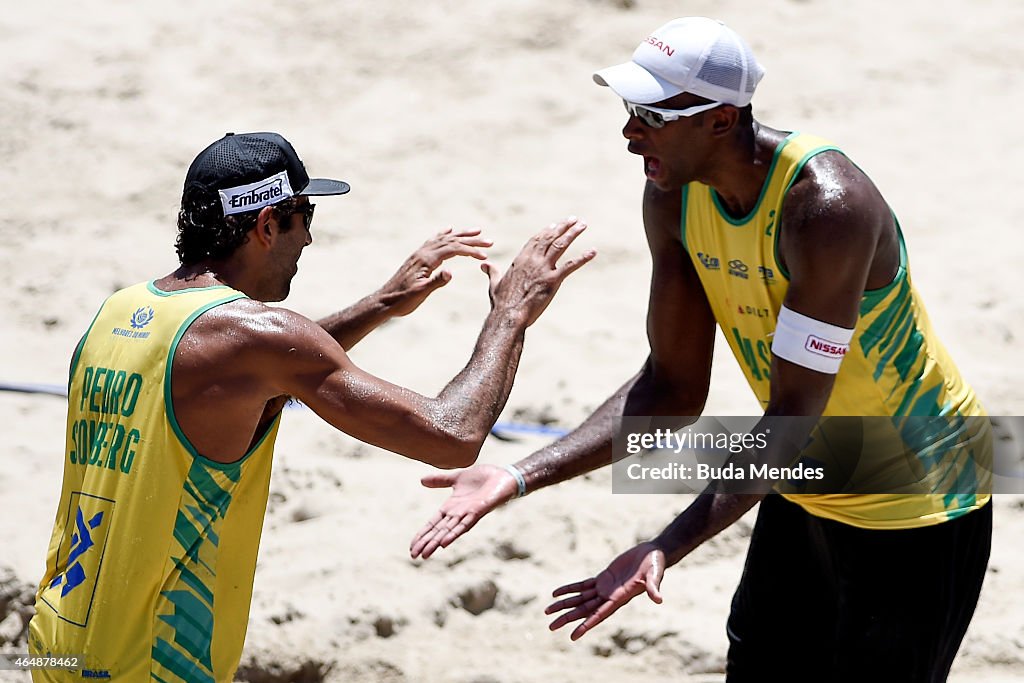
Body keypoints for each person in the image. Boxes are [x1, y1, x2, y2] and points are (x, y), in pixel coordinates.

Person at [410, 17, 993, 682]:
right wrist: (518, 475)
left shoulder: (826, 208)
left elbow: (792, 417)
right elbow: (672, 387)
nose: (630, 133)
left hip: (915, 490)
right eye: (631, 110)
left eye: (652, 115)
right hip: (809, 476)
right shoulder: (673, 197)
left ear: (720, 120)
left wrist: (666, 545)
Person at [28, 131, 595, 682]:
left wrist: (383, 304)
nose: (309, 241)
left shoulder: (119, 313)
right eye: (306, 219)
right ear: (267, 224)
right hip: (152, 660)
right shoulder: (256, 338)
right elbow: (452, 436)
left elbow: (252, 374)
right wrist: (510, 315)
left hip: (61, 641)